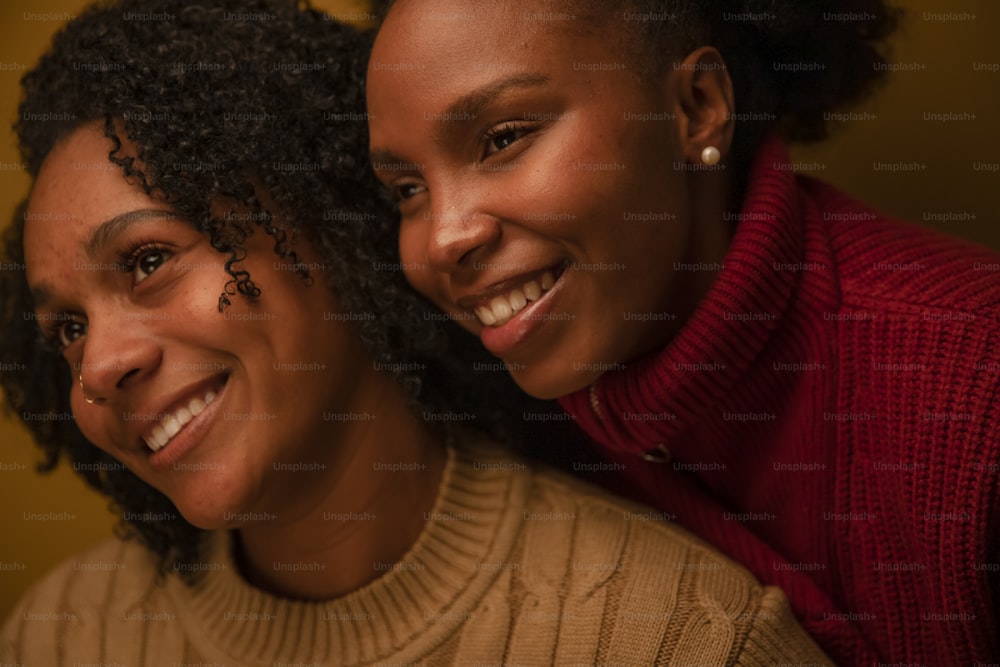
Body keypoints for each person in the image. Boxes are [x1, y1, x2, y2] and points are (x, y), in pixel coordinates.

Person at [0, 1, 832, 665]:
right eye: (66, 327)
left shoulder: (680, 637)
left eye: (148, 260)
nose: (99, 366)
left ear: (328, 224)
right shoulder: (61, 638)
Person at [365, 0, 1000, 664]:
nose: (444, 239)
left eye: (504, 138)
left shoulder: (974, 390)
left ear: (697, 106)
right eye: (408, 190)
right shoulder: (493, 433)